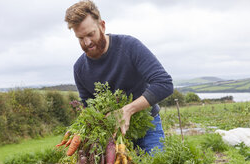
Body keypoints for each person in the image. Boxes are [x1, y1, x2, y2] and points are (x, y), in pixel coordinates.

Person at [65, 0, 173, 153]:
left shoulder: (129, 46)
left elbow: (164, 84)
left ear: (102, 25)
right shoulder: (80, 69)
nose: (87, 42)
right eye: (80, 38)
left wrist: (127, 110)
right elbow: (88, 107)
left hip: (147, 127)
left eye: (90, 34)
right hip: (113, 135)